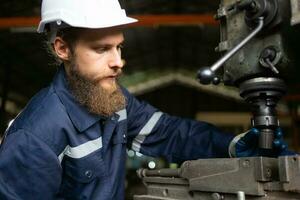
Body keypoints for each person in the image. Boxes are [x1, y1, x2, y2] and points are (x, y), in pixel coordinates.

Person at [0, 0, 293, 199]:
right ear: (63, 48)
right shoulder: (35, 137)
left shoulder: (114, 102)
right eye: (102, 49)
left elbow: (170, 134)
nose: (119, 62)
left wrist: (231, 146)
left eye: (119, 47)